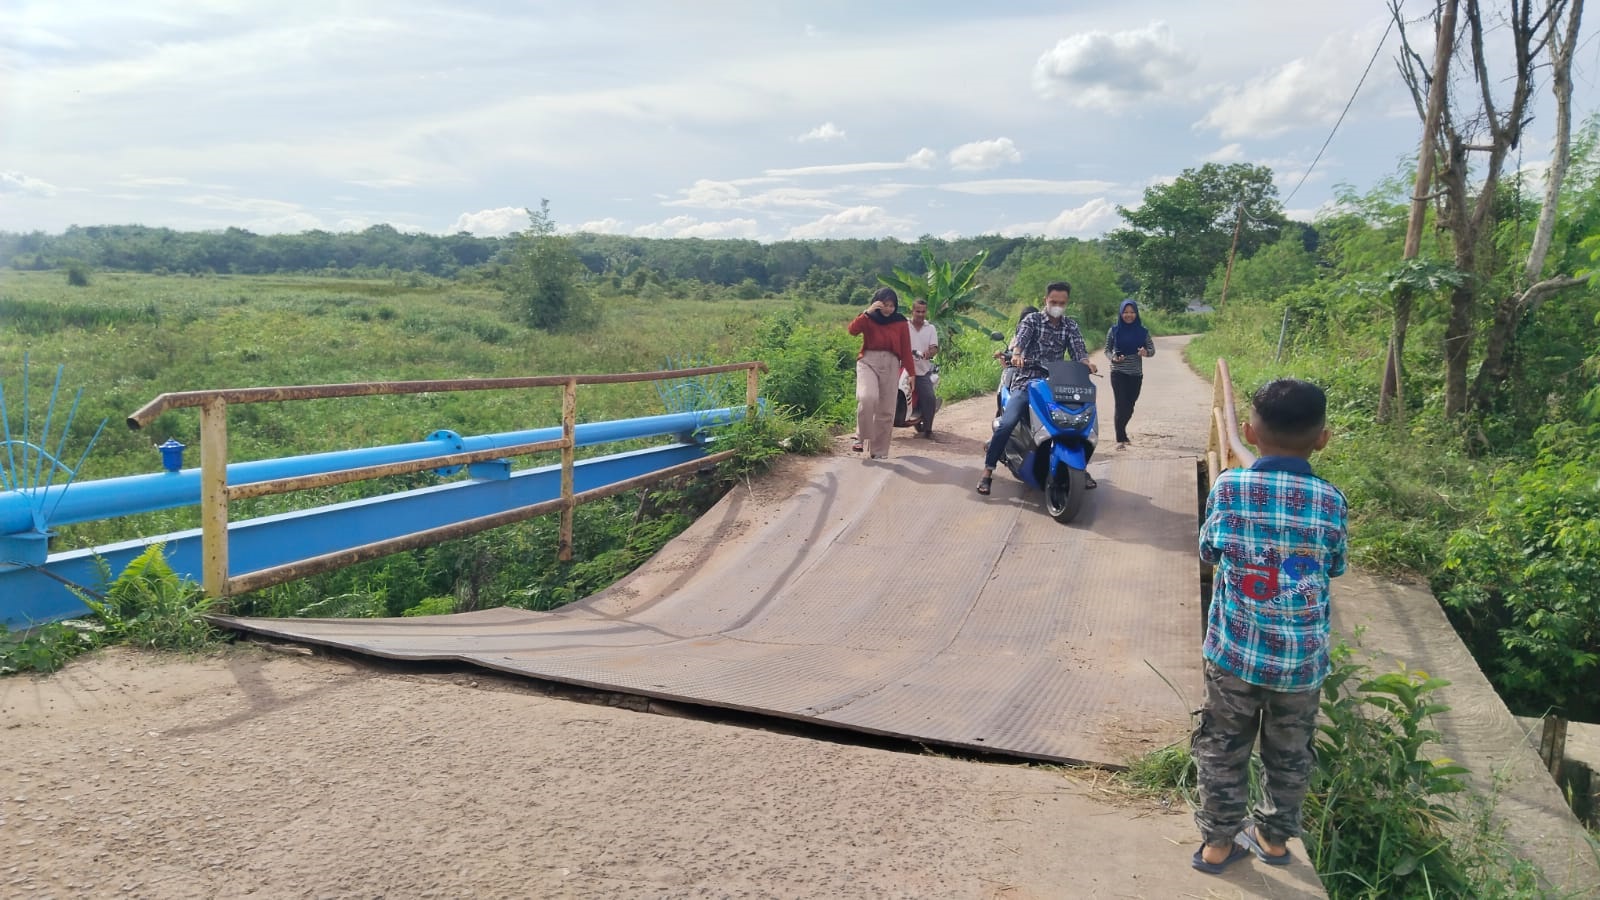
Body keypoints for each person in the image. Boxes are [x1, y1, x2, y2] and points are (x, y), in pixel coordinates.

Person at [1190, 378, 1348, 875]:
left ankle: (1217, 844)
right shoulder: (1330, 500)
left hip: (1235, 652)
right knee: (1291, 753)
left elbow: (1208, 551)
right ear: (1322, 438)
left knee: (1221, 745)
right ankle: (1275, 841)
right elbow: (1336, 564)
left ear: (1247, 432)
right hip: (1300, 664)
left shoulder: (1230, 487)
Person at [977, 283, 1097, 495]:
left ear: (1066, 303)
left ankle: (1079, 467)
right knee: (1007, 423)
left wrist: (1086, 363)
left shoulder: (1070, 326)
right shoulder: (1032, 320)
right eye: (1053, 302)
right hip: (1027, 382)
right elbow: (1020, 341)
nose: (1057, 306)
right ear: (1045, 300)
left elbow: (1079, 350)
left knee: (1078, 419)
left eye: (1062, 303)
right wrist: (1017, 354)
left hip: (1057, 384)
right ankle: (988, 472)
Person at [847, 287, 917, 459]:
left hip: (892, 363)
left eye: (891, 305)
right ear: (876, 303)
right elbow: (852, 330)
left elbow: (906, 348)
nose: (888, 309)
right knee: (867, 397)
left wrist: (911, 373)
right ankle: (860, 437)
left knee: (886, 410)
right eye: (884, 305)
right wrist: (867, 312)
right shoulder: (868, 318)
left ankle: (879, 451)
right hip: (868, 361)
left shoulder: (900, 321)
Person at [1104, 299, 1156, 450]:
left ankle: (1122, 430)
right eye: (1125, 312)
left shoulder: (1143, 332)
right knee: (1121, 404)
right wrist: (1113, 357)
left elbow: (1152, 350)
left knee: (1130, 406)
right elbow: (1107, 349)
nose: (1129, 315)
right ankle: (1120, 436)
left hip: (1135, 374)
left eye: (1132, 312)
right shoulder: (1114, 330)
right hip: (1118, 372)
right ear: (1121, 313)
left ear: (1136, 313)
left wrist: (1145, 352)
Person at [995, 305, 1038, 417]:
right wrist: (1003, 354)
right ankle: (1003, 413)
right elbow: (1010, 351)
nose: (1029, 322)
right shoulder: (1018, 335)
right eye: (1027, 319)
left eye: (1032, 318)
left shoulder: (1043, 333)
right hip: (1019, 371)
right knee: (1006, 383)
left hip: (1040, 370)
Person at [907, 299, 939, 438]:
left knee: (929, 397)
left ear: (926, 312)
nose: (920, 314)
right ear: (912, 311)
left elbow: (934, 348)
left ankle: (928, 429)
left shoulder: (930, 328)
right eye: (917, 311)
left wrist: (928, 353)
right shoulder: (904, 326)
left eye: (923, 311)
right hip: (902, 368)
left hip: (921, 371)